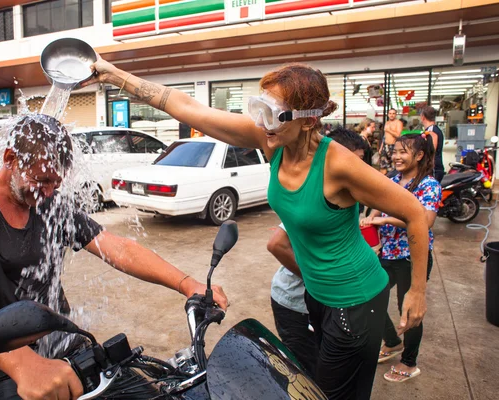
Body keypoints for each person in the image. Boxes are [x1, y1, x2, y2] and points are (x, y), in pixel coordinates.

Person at [83, 60, 431, 400]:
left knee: (333, 392)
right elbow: (187, 107)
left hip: (357, 298)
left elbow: (415, 213)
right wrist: (113, 74)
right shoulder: (272, 137)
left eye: (272, 113)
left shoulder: (339, 164)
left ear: (308, 120)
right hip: (318, 294)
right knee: (314, 386)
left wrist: (416, 291)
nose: (261, 122)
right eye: (259, 109)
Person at [0, 115, 228, 400]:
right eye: (41, 180)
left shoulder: (50, 204)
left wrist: (188, 284)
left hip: (65, 351)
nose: (48, 193)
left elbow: (115, 247)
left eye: (56, 184)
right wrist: (26, 366)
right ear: (10, 159)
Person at [269, 127, 368, 377]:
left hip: (319, 304)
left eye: (362, 163)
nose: (357, 170)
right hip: (293, 303)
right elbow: (276, 244)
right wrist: (316, 279)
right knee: (306, 371)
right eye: (352, 161)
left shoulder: (345, 195)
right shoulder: (313, 201)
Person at [361, 131, 440, 383]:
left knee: (407, 309)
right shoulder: (393, 180)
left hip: (411, 256)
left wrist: (384, 218)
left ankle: (409, 362)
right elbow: (378, 202)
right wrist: (372, 216)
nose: (396, 156)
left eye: (402, 152)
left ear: (418, 155)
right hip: (387, 252)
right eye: (394, 151)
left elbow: (425, 222)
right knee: (370, 297)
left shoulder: (429, 185)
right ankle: (393, 341)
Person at [420, 106, 445, 182]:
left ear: (423, 117)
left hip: (434, 169)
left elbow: (431, 151)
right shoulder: (431, 129)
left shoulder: (431, 131)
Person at [380, 108, 402, 175]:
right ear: (388, 114)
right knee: (383, 165)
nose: (391, 115)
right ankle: (382, 181)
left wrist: (389, 130)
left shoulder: (398, 123)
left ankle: (392, 181)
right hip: (385, 146)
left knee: (393, 165)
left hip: (393, 146)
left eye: (393, 113)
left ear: (396, 114)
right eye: (390, 113)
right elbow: (385, 136)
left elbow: (398, 135)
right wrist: (381, 147)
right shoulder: (387, 123)